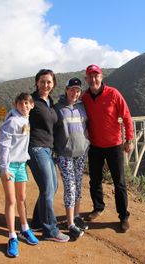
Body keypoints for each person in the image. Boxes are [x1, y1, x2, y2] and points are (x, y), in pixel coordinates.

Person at [81, 64, 134, 232]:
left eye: (96, 76)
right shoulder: (84, 98)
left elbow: (126, 117)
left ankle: (123, 216)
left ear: (101, 77)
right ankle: (98, 208)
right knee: (94, 180)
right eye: (90, 76)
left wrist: (129, 139)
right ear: (86, 79)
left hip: (115, 146)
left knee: (119, 183)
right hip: (95, 146)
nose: (93, 79)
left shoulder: (113, 93)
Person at [28, 69, 70, 242]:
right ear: (37, 82)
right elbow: (17, 116)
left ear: (53, 85)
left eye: (49, 82)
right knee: (47, 188)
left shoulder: (50, 102)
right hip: (36, 148)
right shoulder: (31, 101)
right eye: (42, 81)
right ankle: (50, 230)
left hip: (48, 149)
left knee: (52, 188)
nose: (46, 85)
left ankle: (38, 221)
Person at [0, 92, 39, 258]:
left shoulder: (26, 119)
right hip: (9, 166)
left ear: (32, 105)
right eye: (21, 104)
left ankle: (25, 229)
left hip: (21, 164)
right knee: (12, 200)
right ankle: (12, 236)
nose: (24, 106)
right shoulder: (13, 121)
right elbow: (3, 146)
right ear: (16, 105)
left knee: (22, 198)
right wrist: (4, 168)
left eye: (27, 103)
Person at [54, 77, 90, 240]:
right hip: (65, 154)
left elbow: (87, 126)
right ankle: (70, 224)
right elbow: (52, 131)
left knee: (78, 186)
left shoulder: (82, 107)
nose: (74, 93)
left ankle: (76, 217)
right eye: (72, 89)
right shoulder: (57, 108)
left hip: (81, 153)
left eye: (77, 90)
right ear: (66, 90)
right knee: (70, 187)